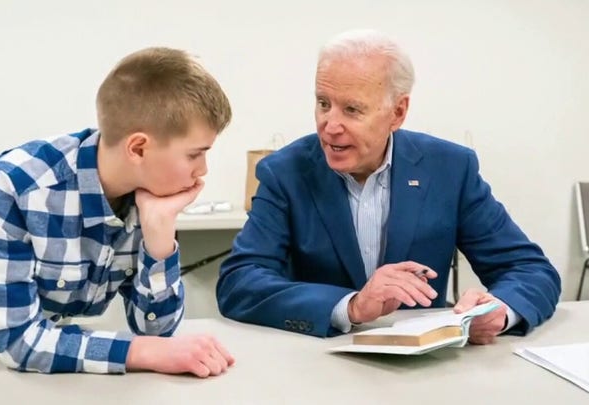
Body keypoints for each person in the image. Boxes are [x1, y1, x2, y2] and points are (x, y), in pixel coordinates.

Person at [216, 29, 560, 344]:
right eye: (323, 103)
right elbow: (240, 282)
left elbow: (529, 269)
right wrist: (350, 306)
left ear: (397, 112)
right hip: (316, 360)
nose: (329, 125)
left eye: (351, 109)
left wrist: (499, 310)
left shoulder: (450, 168)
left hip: (423, 366)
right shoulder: (285, 173)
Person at [0, 47, 235, 376]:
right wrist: (141, 351)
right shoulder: (16, 185)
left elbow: (157, 335)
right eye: (195, 154)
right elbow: (20, 342)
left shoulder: (150, 197)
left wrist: (159, 233)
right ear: (138, 148)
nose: (203, 170)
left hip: (50, 327)